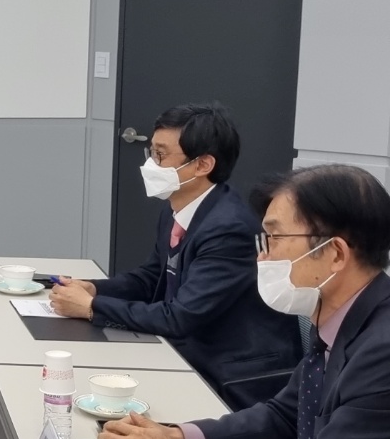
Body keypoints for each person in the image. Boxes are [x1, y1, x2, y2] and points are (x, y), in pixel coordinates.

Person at [99, 163, 390, 439]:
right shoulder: (340, 314)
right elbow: (284, 417)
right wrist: (178, 437)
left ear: (336, 254)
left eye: (274, 238)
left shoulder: (381, 350)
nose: (262, 257)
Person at [50, 103, 301, 406]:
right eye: (151, 153)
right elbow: (151, 278)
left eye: (160, 155)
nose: (150, 165)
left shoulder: (228, 229)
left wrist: (92, 307)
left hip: (233, 376)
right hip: (190, 350)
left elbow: (181, 317)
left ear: (203, 165)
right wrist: (94, 289)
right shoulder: (179, 209)